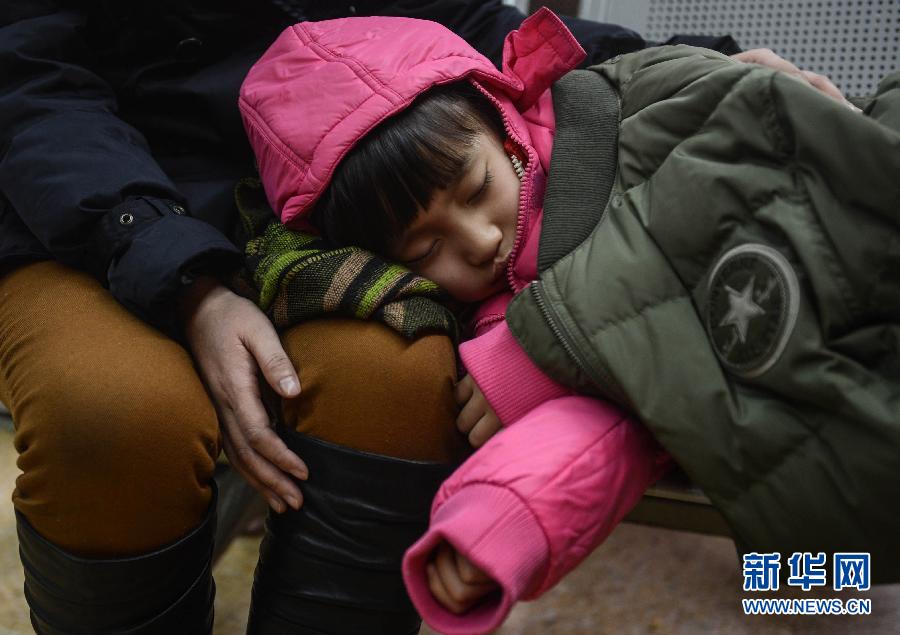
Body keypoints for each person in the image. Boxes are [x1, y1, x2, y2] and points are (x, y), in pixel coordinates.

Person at [0, 2, 750, 633]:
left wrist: (727, 70)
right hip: (84, 212)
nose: (489, 241)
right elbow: (26, 78)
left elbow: (469, 25)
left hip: (340, 215)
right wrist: (181, 277)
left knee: (396, 374)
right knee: (111, 411)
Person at [238, 8, 900, 633]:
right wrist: (497, 521)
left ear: (502, 124)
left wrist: (545, 343)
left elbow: (744, 171)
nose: (476, 240)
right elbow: (600, 428)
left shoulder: (619, 106)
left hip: (854, 222)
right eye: (426, 249)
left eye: (476, 189)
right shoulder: (500, 320)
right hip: (802, 405)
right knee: (802, 555)